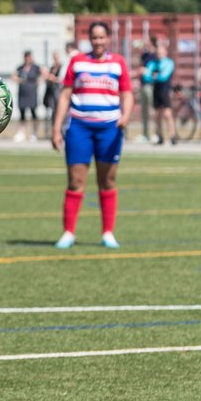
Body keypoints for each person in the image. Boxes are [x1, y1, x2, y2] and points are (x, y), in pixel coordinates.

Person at [50, 20, 133, 250]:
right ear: (89, 39)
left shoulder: (118, 63)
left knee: (107, 180)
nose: (98, 41)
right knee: (76, 181)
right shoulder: (77, 62)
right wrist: (57, 128)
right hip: (79, 128)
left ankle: (108, 232)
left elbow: (127, 94)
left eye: (102, 37)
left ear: (108, 39)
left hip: (109, 129)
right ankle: (68, 232)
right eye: (94, 37)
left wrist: (125, 116)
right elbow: (65, 95)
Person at [143, 44, 175, 145]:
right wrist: (154, 76)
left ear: (165, 53)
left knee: (167, 114)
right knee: (157, 115)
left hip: (165, 90)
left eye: (161, 53)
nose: (159, 54)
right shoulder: (153, 63)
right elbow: (146, 77)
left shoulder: (168, 63)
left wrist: (154, 76)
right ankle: (160, 136)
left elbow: (164, 77)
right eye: (158, 53)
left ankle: (172, 136)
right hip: (156, 90)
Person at [11, 50, 42, 142]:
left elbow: (44, 74)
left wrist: (39, 81)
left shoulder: (36, 67)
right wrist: (18, 79)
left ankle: (34, 133)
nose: (27, 58)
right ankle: (22, 133)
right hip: (23, 93)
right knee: (22, 114)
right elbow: (13, 76)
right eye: (25, 56)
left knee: (33, 113)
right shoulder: (20, 68)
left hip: (32, 93)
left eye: (28, 56)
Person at [136, 35, 158, 143]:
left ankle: (155, 133)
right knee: (144, 111)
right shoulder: (144, 55)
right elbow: (140, 68)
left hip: (152, 85)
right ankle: (145, 134)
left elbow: (157, 71)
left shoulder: (156, 55)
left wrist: (148, 72)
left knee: (152, 110)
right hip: (143, 85)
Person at [43, 51, 63, 140]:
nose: (55, 59)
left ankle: (61, 132)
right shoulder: (52, 68)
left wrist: (53, 78)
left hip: (59, 92)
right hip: (51, 93)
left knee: (60, 112)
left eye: (57, 57)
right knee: (53, 113)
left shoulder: (62, 67)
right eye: (54, 57)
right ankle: (54, 132)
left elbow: (63, 80)